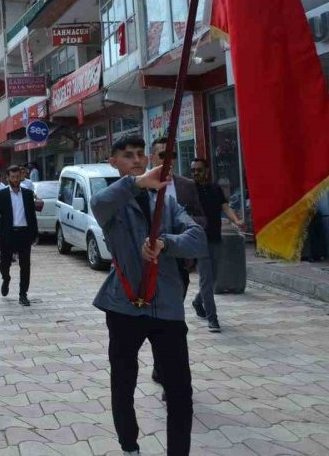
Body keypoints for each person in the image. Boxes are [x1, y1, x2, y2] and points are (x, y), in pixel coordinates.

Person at [92, 135, 207, 456]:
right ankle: (129, 446)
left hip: (166, 307)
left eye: (141, 155)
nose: (138, 159)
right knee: (124, 383)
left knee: (180, 392)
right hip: (123, 307)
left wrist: (166, 243)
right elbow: (99, 204)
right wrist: (139, 182)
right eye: (128, 155)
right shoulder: (111, 202)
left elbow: (197, 239)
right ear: (113, 161)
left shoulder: (166, 203)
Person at [190, 158, 244, 333]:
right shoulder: (190, 189)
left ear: (207, 170)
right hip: (198, 240)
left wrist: (236, 221)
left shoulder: (215, 188)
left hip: (215, 237)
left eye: (198, 170)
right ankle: (212, 318)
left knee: (213, 278)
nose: (195, 174)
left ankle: (198, 302)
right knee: (206, 279)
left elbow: (225, 207)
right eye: (193, 171)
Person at [150, 138, 207, 299]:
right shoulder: (142, 186)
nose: (168, 160)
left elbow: (201, 216)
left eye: (172, 155)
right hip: (150, 257)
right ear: (152, 157)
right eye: (162, 155)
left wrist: (187, 223)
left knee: (177, 303)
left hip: (178, 257)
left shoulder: (187, 185)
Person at [0, 166, 40, 306]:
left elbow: (32, 215)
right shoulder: (1, 195)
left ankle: (23, 294)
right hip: (7, 234)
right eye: (13, 177)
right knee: (4, 264)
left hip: (24, 233)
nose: (16, 180)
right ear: (7, 178)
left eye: (18, 177)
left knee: (25, 265)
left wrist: (35, 233)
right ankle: (6, 279)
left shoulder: (28, 194)